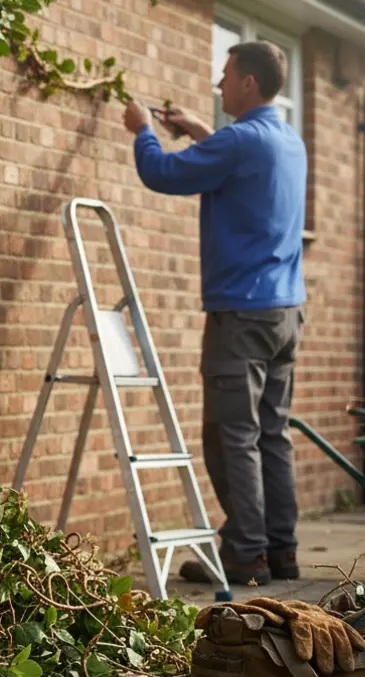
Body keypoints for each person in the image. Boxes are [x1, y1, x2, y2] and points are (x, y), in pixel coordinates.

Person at [120, 41, 307, 586]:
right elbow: (239, 160)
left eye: (225, 75)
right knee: (271, 434)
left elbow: (162, 174)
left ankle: (246, 556)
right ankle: (281, 549)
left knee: (232, 436)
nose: (218, 84)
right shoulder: (286, 139)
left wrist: (142, 130)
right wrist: (200, 128)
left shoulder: (241, 141)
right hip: (285, 313)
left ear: (248, 82)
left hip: (241, 317)